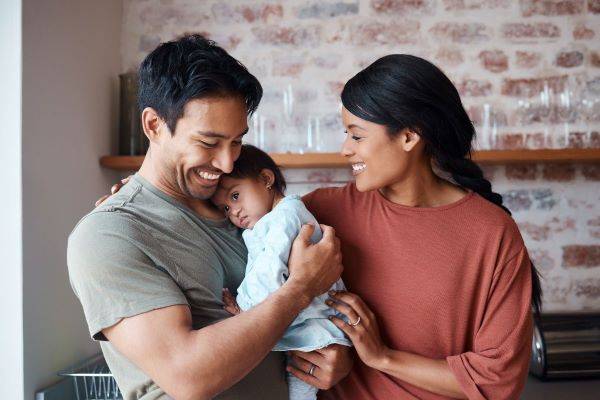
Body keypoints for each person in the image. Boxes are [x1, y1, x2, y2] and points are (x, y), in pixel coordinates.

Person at [67, 34, 352, 400]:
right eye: (208, 142)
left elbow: (291, 331)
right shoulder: (109, 235)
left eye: (236, 141)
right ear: (154, 125)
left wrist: (335, 356)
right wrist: (300, 288)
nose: (227, 162)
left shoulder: (244, 213)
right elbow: (189, 377)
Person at [302, 54, 542, 400]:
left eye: (357, 136)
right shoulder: (319, 212)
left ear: (409, 137)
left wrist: (382, 357)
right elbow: (265, 300)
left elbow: (497, 381)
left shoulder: (492, 233)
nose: (345, 150)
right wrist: (318, 357)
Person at [212, 144, 352, 400]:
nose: (234, 211)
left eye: (235, 196)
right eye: (225, 208)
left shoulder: (286, 217)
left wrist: (244, 310)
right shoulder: (269, 221)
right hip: (306, 327)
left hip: (315, 330)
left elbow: (270, 270)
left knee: (301, 392)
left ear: (266, 179)